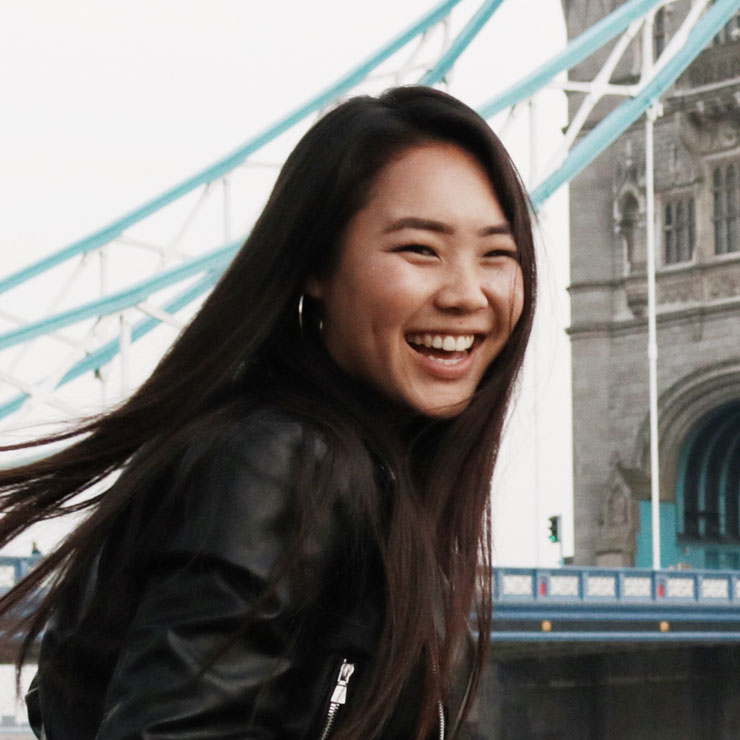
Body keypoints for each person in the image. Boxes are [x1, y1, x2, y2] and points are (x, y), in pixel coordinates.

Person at [0, 85, 536, 739]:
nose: (467, 293)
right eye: (420, 250)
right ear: (316, 265)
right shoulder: (278, 462)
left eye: (497, 256)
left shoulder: (372, 476)